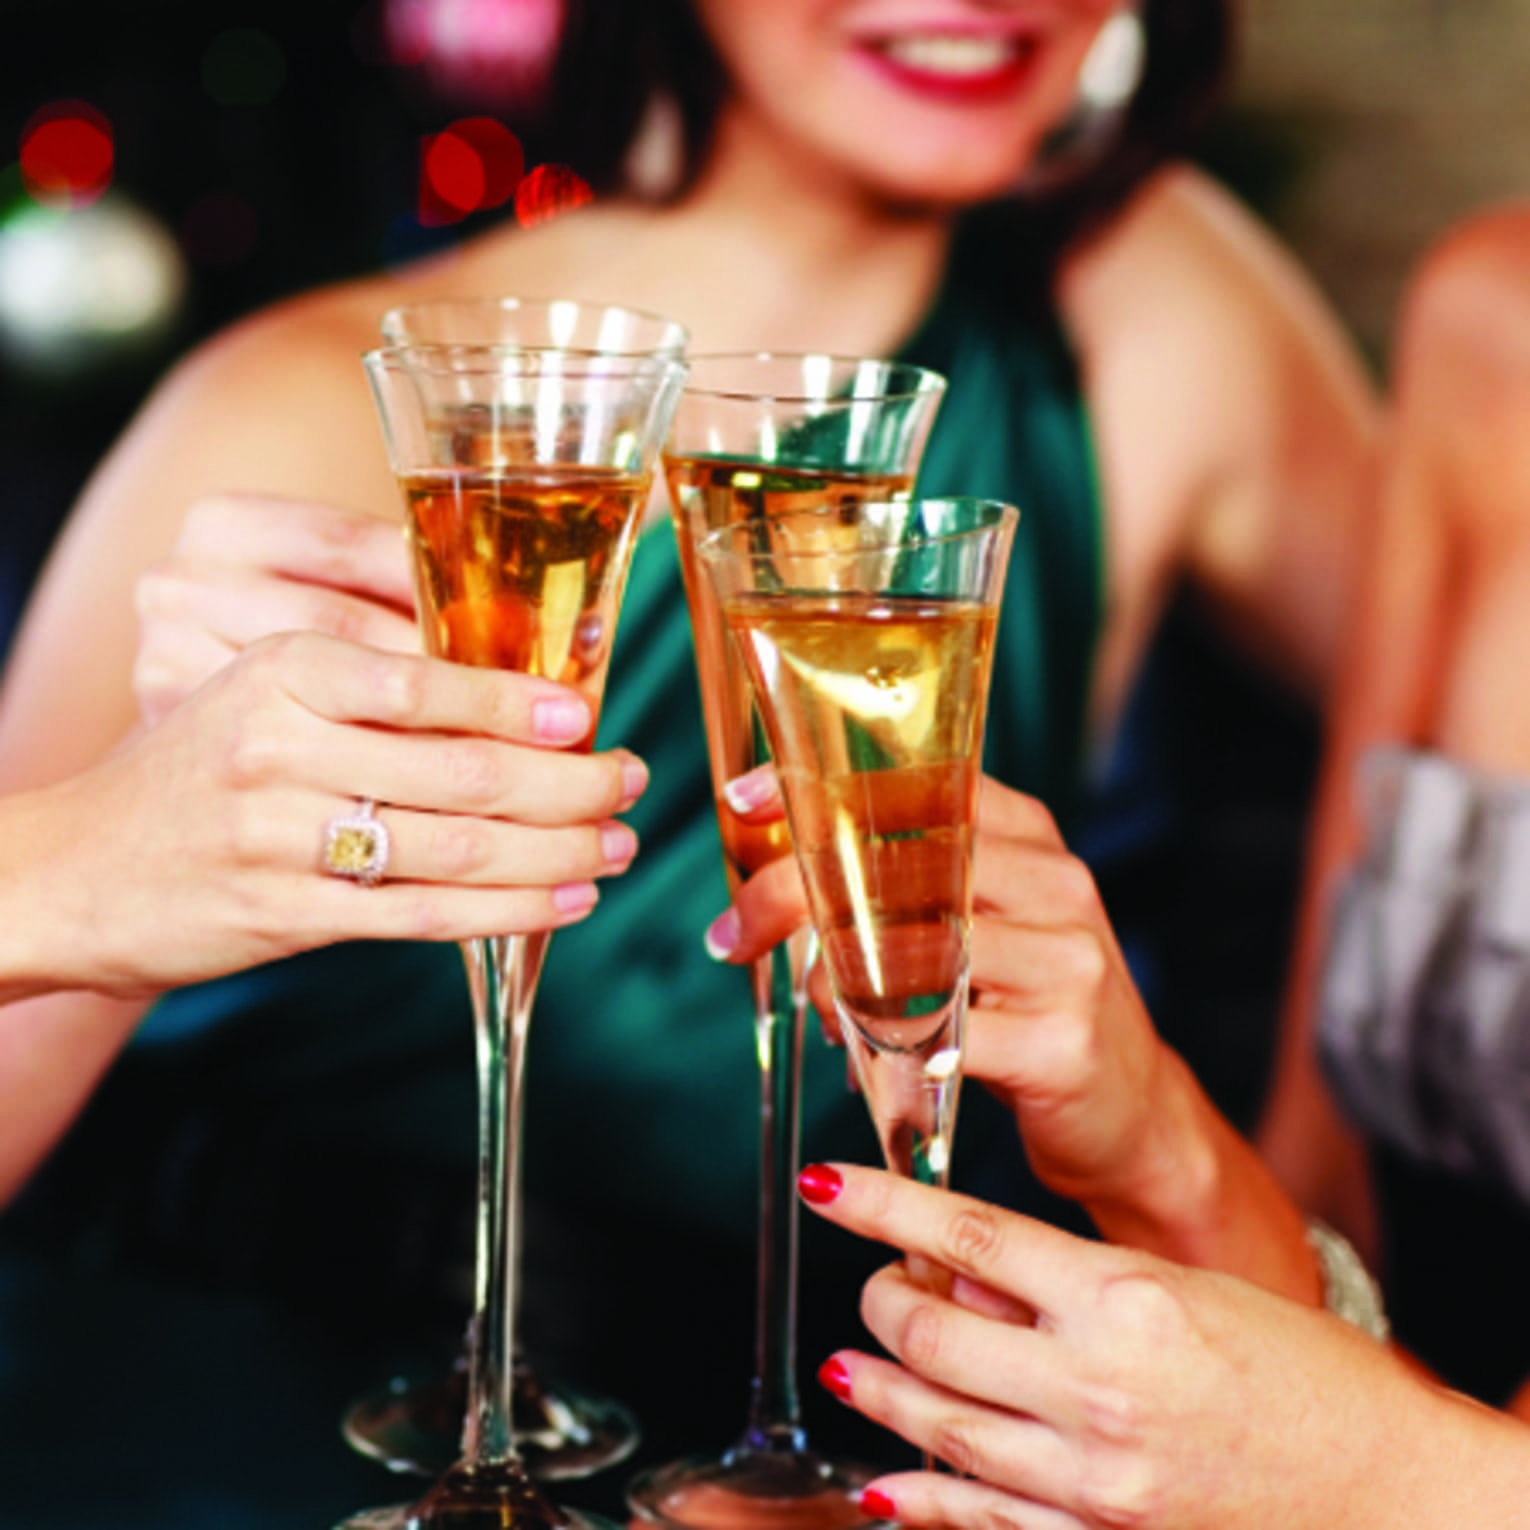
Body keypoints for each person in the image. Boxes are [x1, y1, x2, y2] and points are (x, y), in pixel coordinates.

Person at [0, 0, 1377, 1518]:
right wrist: (105, 844)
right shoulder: (295, 406)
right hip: (242, 1403)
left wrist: (1288, 1210)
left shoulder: (1147, 308)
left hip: (805, 1433)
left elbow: (1436, 743)